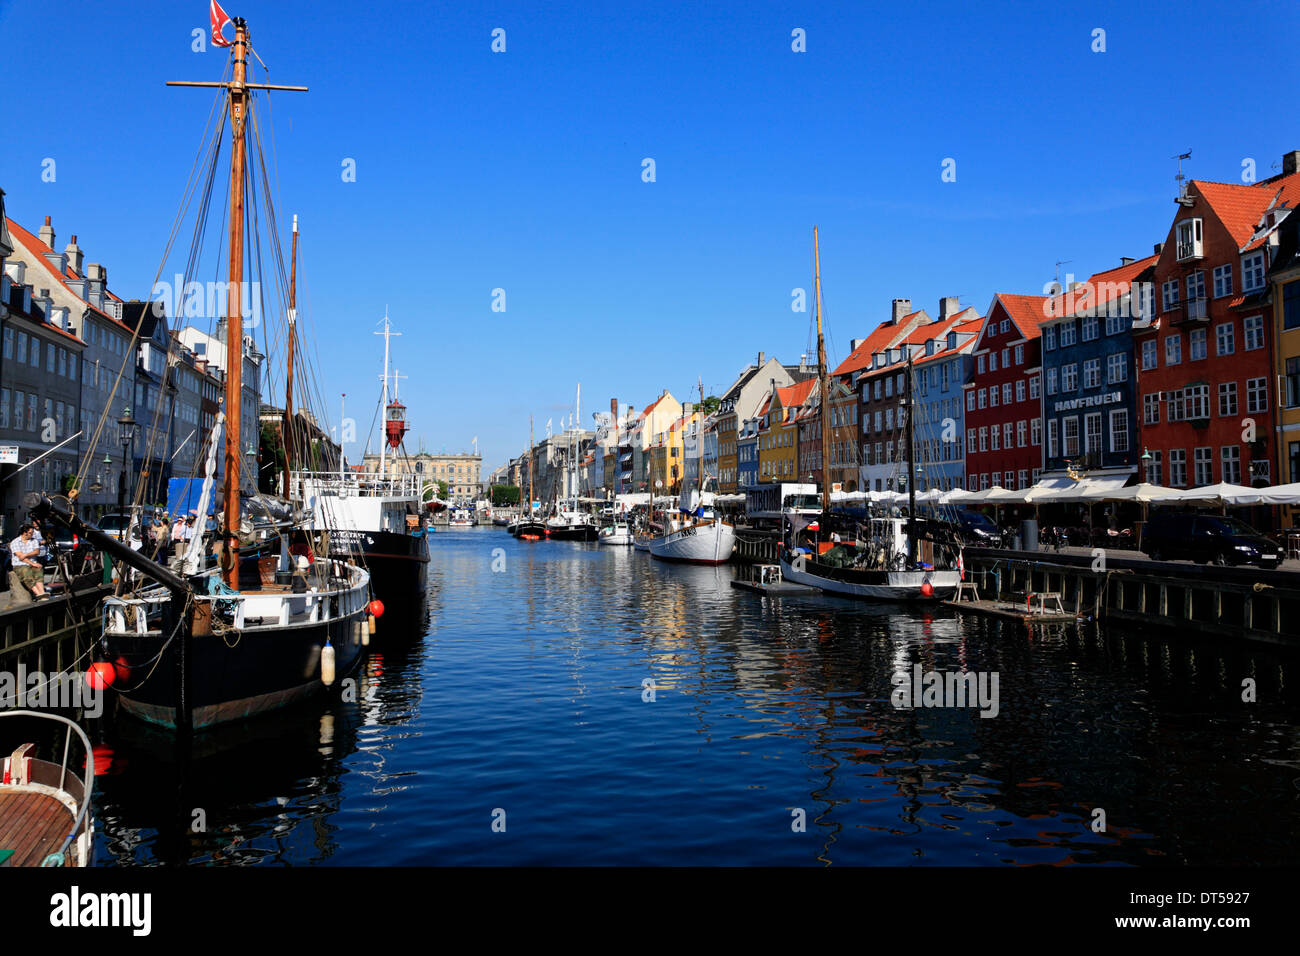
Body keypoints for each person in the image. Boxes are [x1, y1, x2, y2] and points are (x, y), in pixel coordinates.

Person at [9, 523, 49, 601]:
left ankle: (42, 592)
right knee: (26, 572)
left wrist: (26, 554)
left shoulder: (34, 541)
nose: (32, 534)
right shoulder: (15, 542)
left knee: (38, 570)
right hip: (20, 564)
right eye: (31, 533)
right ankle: (38, 593)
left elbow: (37, 552)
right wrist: (32, 563)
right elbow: (21, 557)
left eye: (33, 532)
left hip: (32, 562)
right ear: (25, 533)